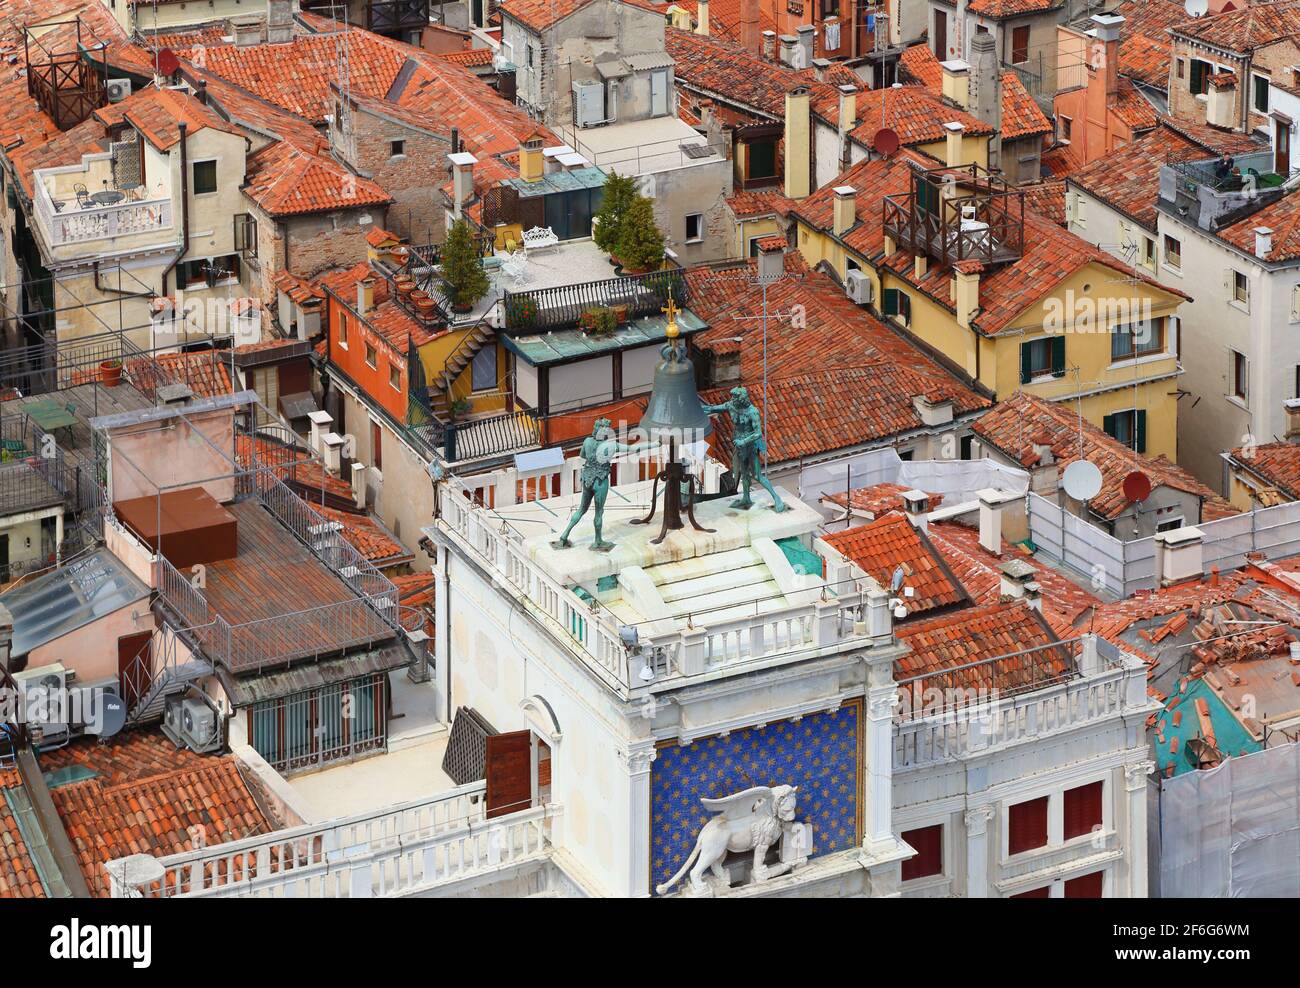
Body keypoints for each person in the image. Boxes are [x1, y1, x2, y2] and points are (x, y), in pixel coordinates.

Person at [554, 418, 651, 550]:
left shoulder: (587, 441)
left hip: (587, 478)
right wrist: (655, 444)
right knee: (599, 513)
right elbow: (633, 448)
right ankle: (598, 541)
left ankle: (564, 536)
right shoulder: (611, 445)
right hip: (600, 480)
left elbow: (583, 455)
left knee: (582, 509)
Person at [703, 386, 787, 513]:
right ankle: (746, 498)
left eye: (735, 397)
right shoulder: (731, 406)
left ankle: (777, 498)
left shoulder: (752, 412)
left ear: (742, 398)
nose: (732, 399)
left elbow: (758, 433)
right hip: (739, 445)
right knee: (744, 473)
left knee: (757, 475)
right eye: (732, 397)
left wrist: (743, 441)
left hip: (750, 445)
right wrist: (693, 409)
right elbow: (712, 408)